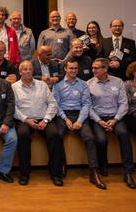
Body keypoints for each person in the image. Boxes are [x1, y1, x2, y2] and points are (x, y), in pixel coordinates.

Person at [53, 59, 106, 189]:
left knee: (90, 139)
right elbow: (56, 105)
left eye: (75, 68)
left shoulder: (83, 84)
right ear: (65, 69)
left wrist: (79, 121)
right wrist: (65, 119)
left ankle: (94, 172)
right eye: (71, 68)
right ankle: (62, 163)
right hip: (63, 115)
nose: (73, 71)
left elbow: (86, 104)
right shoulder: (58, 85)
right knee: (57, 135)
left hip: (79, 115)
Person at [87, 58, 136, 189]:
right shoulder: (89, 84)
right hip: (98, 118)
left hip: (116, 117)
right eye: (92, 68)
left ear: (105, 69)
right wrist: (99, 121)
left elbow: (124, 104)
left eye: (96, 68)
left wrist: (115, 120)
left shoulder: (118, 82)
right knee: (101, 140)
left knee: (124, 135)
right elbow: (88, 107)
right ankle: (103, 165)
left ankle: (128, 173)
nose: (93, 70)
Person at [13, 61, 64, 186]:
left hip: (43, 119)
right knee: (22, 136)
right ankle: (24, 173)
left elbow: (52, 103)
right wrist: (26, 120)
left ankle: (55, 173)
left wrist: (46, 120)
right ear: (20, 72)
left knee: (55, 135)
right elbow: (12, 108)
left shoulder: (42, 85)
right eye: (25, 69)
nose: (28, 72)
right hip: (25, 120)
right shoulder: (14, 87)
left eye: (30, 69)